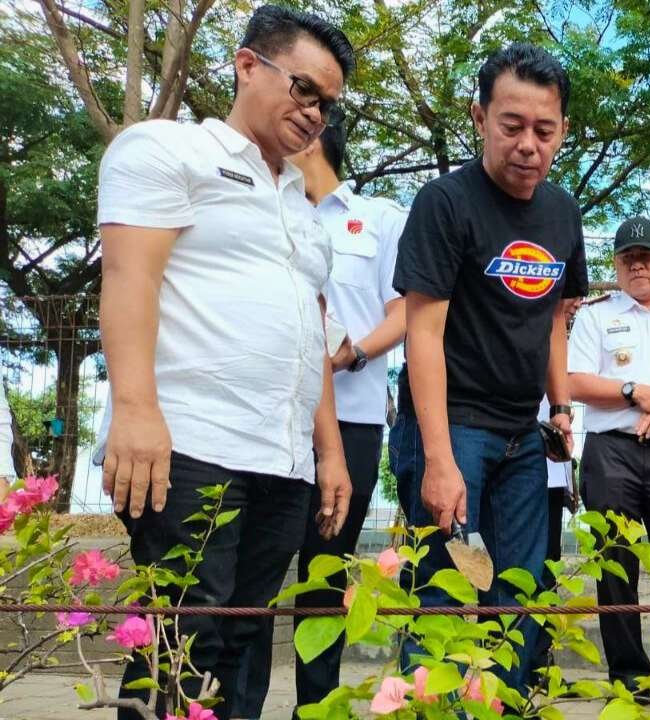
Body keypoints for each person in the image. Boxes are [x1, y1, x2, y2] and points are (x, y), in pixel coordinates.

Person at [94, 5, 354, 717]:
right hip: (190, 446)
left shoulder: (304, 207)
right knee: (186, 640)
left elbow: (312, 333)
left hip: (284, 460)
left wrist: (328, 453)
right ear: (247, 65)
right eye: (304, 89)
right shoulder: (166, 150)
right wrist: (136, 411)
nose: (314, 114)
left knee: (245, 645)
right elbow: (128, 280)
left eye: (327, 105)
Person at [392, 42, 587, 690]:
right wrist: (440, 458)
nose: (529, 144)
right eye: (512, 126)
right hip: (453, 428)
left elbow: (557, 320)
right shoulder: (444, 204)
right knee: (445, 591)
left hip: (523, 436)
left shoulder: (563, 212)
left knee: (521, 595)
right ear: (479, 118)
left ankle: (500, 703)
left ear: (561, 132)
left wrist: (559, 411)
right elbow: (423, 332)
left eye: (544, 129)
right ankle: (427, 706)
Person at [236, 119, 408, 717]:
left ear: (312, 140)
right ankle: (239, 704)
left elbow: (405, 310)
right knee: (251, 575)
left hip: (353, 418)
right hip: (269, 418)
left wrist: (352, 352)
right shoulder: (260, 209)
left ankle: (316, 708)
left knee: (325, 574)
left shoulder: (380, 219)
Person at [567, 217, 650, 690]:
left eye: (646, 256)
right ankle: (628, 676)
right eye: (627, 257)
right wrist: (634, 392)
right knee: (616, 568)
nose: (637, 265)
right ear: (617, 264)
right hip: (612, 456)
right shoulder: (594, 315)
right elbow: (575, 382)